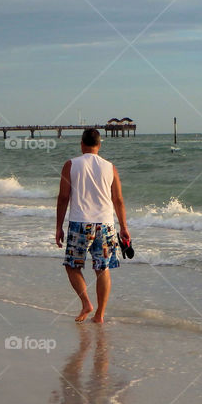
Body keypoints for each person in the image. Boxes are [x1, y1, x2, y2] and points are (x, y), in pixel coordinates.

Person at [55, 128, 130, 324]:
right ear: (99, 144)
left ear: (81, 144)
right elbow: (119, 200)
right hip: (105, 225)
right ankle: (100, 315)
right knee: (102, 268)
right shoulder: (110, 167)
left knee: (72, 266)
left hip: (80, 223)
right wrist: (123, 227)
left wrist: (58, 227)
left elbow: (63, 198)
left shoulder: (71, 165)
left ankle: (86, 303)